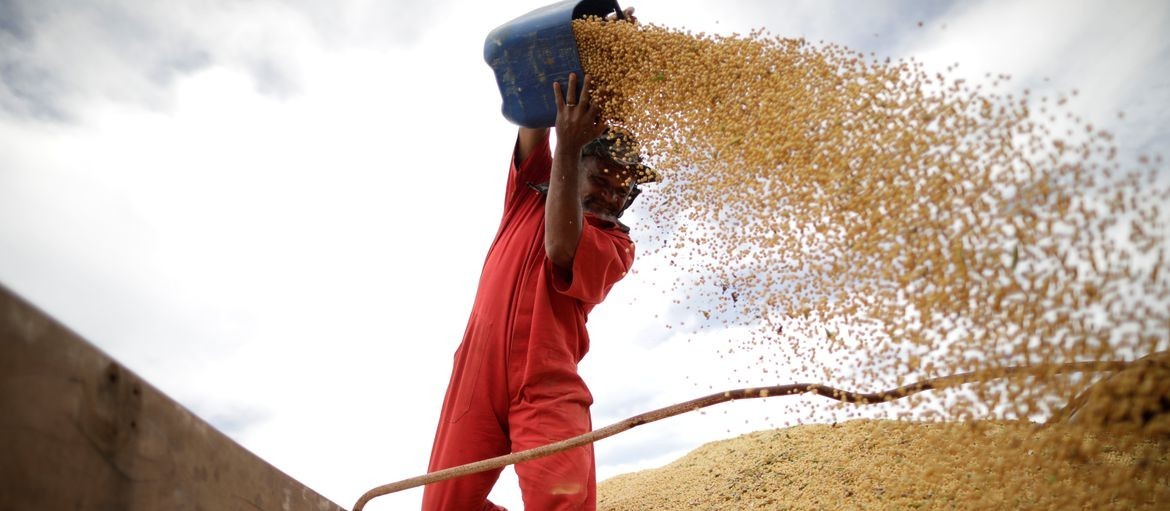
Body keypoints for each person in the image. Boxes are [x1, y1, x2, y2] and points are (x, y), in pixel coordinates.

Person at [421, 64, 659, 511]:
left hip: (546, 381)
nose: (611, 195)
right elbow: (532, 116)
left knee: (563, 502)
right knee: (442, 506)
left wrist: (568, 148)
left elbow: (560, 246)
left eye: (621, 190)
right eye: (601, 179)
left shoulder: (616, 244)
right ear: (579, 163)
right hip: (476, 374)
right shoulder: (530, 192)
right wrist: (575, 57)